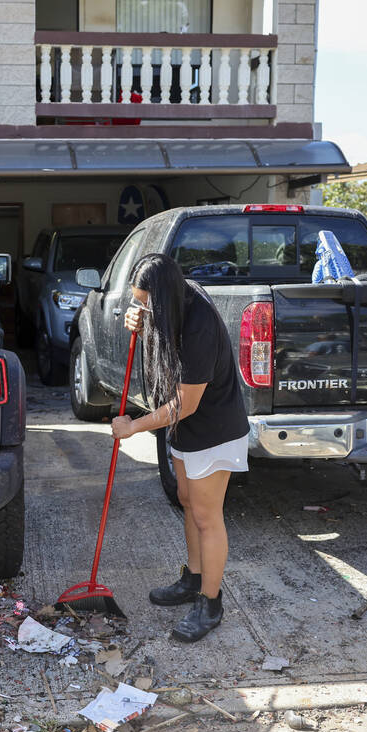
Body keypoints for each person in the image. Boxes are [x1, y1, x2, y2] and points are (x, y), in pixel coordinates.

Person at [110, 254, 250, 642]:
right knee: (187, 501)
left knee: (207, 516)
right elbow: (153, 323)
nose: (142, 308)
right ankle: (193, 579)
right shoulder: (171, 304)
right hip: (184, 430)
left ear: (166, 297)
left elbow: (184, 404)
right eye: (138, 301)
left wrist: (133, 427)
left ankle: (211, 603)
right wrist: (136, 318)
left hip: (213, 430)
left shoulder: (200, 324)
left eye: (146, 302)